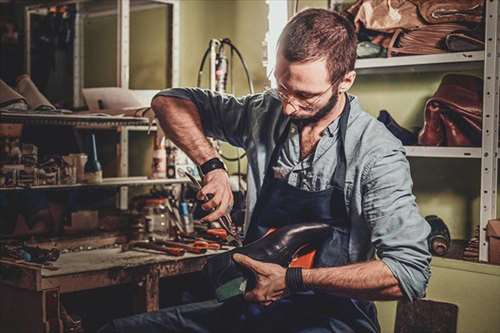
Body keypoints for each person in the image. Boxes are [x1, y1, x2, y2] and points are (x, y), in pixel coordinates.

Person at [99, 8, 431, 333]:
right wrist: (212, 166)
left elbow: (408, 273)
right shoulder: (265, 112)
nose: (288, 106)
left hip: (332, 316)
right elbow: (167, 102)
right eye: (283, 87)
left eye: (305, 96)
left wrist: (292, 280)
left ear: (345, 81)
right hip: (255, 304)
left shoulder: (376, 153)